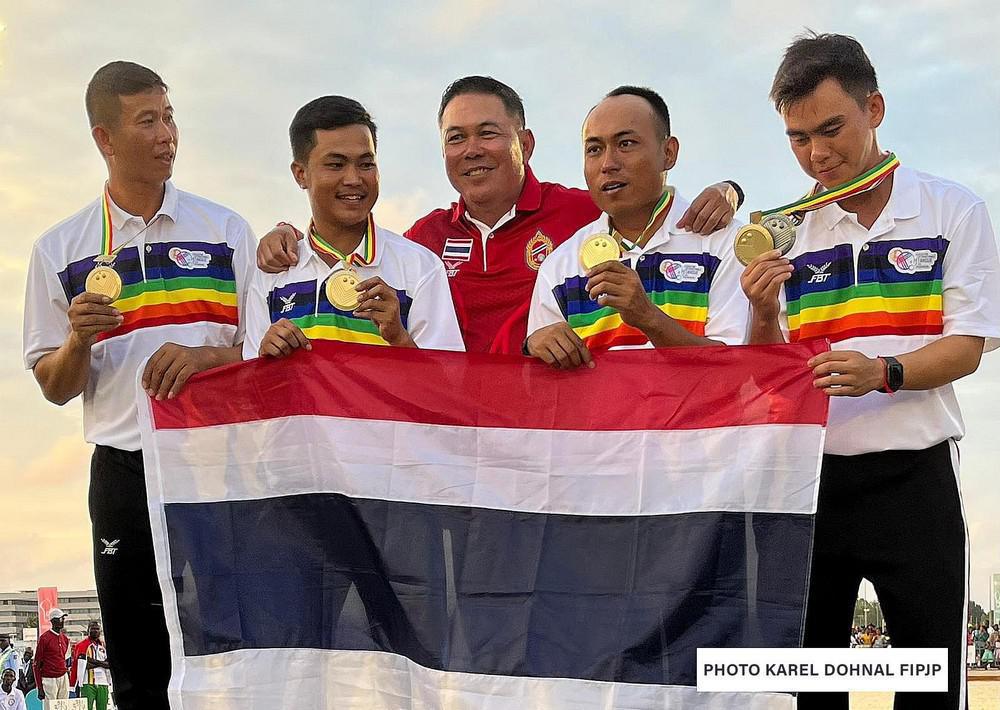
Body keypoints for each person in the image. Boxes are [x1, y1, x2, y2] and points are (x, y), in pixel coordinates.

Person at [740, 32, 1000, 708]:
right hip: (812, 484)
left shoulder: (953, 208)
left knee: (929, 687)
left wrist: (883, 371)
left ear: (875, 107)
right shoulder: (786, 228)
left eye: (831, 128)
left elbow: (967, 347)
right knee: (813, 690)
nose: (816, 153)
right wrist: (763, 311)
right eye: (798, 138)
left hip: (914, 480)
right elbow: (770, 372)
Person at [22, 61, 257, 710]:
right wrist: (78, 340)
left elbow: (263, 351)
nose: (167, 134)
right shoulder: (59, 249)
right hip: (124, 471)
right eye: (147, 120)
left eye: (170, 116)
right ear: (104, 138)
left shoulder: (226, 232)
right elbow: (54, 385)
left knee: (230, 648)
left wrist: (208, 357)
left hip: (217, 463)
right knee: (136, 664)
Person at [256, 76, 743, 353]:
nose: (472, 150)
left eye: (488, 133)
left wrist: (730, 190)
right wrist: (290, 233)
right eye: (455, 137)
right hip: (459, 437)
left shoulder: (577, 211)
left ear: (525, 144)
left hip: (547, 429)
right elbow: (348, 233)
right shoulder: (424, 240)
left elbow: (637, 194)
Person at [526, 86, 748, 367]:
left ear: (669, 152)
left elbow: (738, 370)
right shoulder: (559, 268)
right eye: (594, 149)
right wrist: (537, 347)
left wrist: (648, 318)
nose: (608, 163)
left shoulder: (725, 243)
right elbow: (551, 395)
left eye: (626, 144)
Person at [242, 96, 464, 359]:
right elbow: (254, 387)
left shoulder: (420, 267)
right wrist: (266, 359)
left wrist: (399, 338)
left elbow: (447, 388)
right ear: (300, 174)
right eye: (336, 164)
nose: (354, 179)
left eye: (366, 164)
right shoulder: (273, 273)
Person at [71, 621, 110, 710]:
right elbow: (84, 664)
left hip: (103, 682)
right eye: (93, 629)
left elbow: (109, 665)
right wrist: (101, 663)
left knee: (102, 708)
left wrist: (92, 661)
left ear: (100, 631)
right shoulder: (81, 645)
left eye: (97, 629)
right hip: (87, 683)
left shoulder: (104, 646)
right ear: (88, 630)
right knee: (86, 708)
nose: (95, 631)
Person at [34, 609, 70, 701]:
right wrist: (40, 688)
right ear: (53, 621)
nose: (63, 621)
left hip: (63, 676)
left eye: (63, 618)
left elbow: (64, 658)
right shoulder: (44, 638)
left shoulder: (65, 638)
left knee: (64, 706)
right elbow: (36, 664)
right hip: (49, 678)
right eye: (61, 619)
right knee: (50, 706)